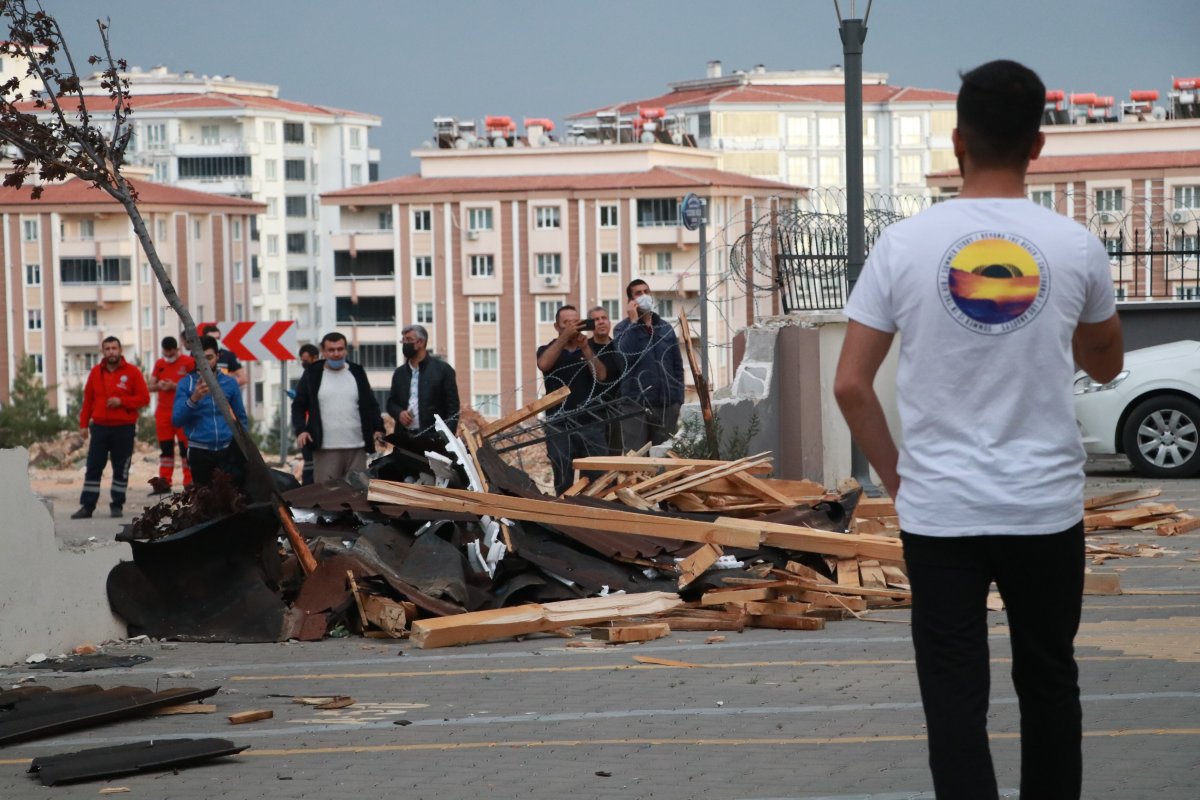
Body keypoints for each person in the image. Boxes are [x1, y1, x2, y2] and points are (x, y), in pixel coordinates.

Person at [833, 60, 1124, 799]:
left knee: (954, 700)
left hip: (941, 514)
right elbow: (1107, 360)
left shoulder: (903, 246)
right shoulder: (1075, 246)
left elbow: (850, 384)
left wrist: (899, 481)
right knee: (1050, 684)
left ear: (957, 141)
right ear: (1038, 148)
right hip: (1044, 509)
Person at [72, 336, 150, 519]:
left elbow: (144, 398)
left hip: (124, 428)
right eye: (107, 348)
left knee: (121, 467)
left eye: (114, 348)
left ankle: (117, 505)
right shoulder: (95, 373)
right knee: (93, 466)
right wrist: (83, 424)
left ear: (120, 350)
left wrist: (122, 401)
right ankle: (87, 506)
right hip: (99, 427)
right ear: (103, 352)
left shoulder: (132, 372)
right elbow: (88, 400)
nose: (111, 352)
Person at [291, 332, 385, 483]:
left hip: (357, 449)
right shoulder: (313, 374)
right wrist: (301, 430)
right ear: (323, 351)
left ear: (346, 350)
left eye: (340, 349)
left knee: (357, 496)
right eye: (331, 350)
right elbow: (298, 405)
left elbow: (371, 404)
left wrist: (378, 428)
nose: (336, 354)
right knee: (327, 498)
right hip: (325, 450)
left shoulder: (357, 372)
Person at [536, 305, 610, 494]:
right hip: (558, 424)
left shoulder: (589, 348)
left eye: (575, 322)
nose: (571, 326)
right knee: (563, 479)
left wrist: (585, 347)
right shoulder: (548, 349)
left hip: (590, 423)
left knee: (596, 481)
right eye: (566, 323)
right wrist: (563, 338)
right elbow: (544, 364)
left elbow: (601, 375)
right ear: (557, 326)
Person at [613, 279, 684, 449]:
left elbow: (677, 365)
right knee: (637, 457)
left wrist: (677, 399)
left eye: (646, 291)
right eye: (638, 293)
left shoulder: (665, 328)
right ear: (631, 301)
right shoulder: (622, 329)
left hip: (666, 405)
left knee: (663, 456)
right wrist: (633, 323)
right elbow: (624, 358)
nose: (644, 296)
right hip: (635, 406)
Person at [173, 335, 251, 489]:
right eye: (200, 358)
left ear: (218, 356)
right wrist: (194, 398)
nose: (205, 363)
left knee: (234, 497)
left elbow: (241, 417)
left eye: (209, 357)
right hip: (199, 450)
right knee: (205, 501)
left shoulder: (230, 383)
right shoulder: (185, 384)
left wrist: (244, 446)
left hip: (228, 449)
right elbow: (176, 420)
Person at [386, 324, 460, 448]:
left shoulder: (443, 370)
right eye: (403, 340)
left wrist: (445, 439)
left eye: (408, 340)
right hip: (404, 439)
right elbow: (391, 403)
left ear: (420, 342)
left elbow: (453, 410)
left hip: (433, 440)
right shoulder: (399, 373)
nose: (404, 343)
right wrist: (399, 413)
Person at [148, 336, 195, 493]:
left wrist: (174, 386)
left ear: (176, 349)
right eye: (165, 353)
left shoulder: (187, 362)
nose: (168, 355)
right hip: (163, 412)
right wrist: (159, 385)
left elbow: (194, 384)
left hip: (182, 410)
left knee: (185, 448)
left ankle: (189, 481)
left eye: (171, 352)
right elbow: (151, 385)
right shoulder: (160, 364)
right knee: (166, 449)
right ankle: (164, 482)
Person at [587, 305, 627, 455]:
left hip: (616, 410)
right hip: (592, 412)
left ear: (609, 322)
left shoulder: (619, 347)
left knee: (614, 457)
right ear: (590, 325)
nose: (601, 322)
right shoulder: (585, 348)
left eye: (604, 318)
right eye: (596, 319)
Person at [291, 343, 321, 485]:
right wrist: (301, 429)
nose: (304, 363)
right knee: (310, 469)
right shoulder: (307, 376)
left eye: (305, 360)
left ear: (315, 357)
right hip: (309, 432)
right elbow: (299, 406)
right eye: (302, 360)